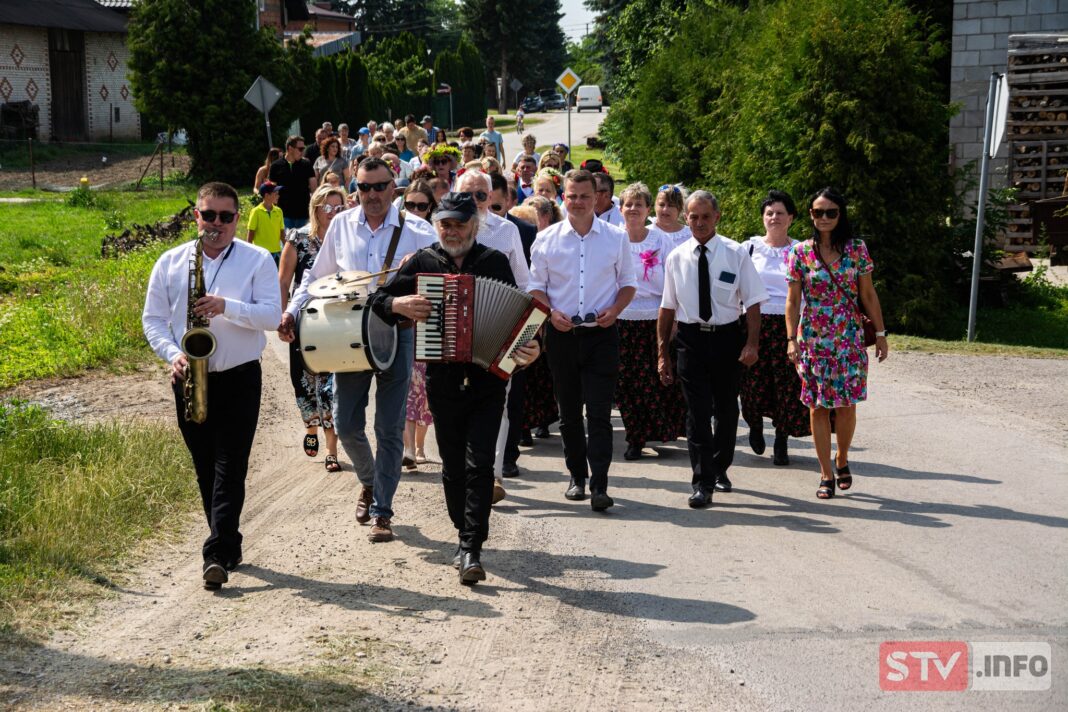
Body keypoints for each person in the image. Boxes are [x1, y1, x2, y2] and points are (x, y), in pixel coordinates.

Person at [368, 192, 540, 584]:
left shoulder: (494, 262)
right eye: (444, 223)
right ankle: (464, 531)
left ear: (473, 226)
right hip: (442, 377)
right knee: (451, 466)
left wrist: (530, 348)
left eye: (459, 223)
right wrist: (399, 306)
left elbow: (520, 317)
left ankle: (470, 546)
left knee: (480, 463)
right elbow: (379, 299)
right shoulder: (423, 262)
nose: (451, 230)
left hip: (488, 378)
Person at [279, 158, 436, 543]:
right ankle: (369, 482)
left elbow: (437, 287)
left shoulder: (418, 230)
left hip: (399, 334)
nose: (372, 195)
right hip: (349, 334)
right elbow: (315, 279)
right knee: (346, 422)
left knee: (388, 426)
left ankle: (383, 510)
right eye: (364, 188)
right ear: (356, 190)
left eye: (380, 187)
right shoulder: (343, 226)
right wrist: (291, 312)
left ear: (393, 190)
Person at [142, 182, 281, 590]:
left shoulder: (257, 260)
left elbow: (272, 317)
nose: (216, 224)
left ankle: (215, 553)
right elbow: (153, 320)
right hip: (189, 376)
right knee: (205, 467)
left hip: (240, 377)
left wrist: (227, 307)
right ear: (196, 217)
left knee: (229, 466)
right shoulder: (171, 262)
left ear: (238, 219)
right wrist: (173, 355)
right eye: (208, 215)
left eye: (225, 216)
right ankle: (228, 542)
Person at [529, 169, 637, 511]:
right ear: (564, 197)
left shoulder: (615, 237)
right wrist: (550, 315)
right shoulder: (546, 239)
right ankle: (577, 476)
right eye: (572, 196)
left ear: (598, 198)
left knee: (601, 414)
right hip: (562, 337)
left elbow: (629, 284)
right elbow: (535, 288)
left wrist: (615, 310)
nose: (577, 202)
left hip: (601, 335)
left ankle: (601, 484)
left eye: (584, 196)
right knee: (570, 413)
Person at [657, 190, 767, 509]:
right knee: (698, 412)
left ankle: (720, 467)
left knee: (727, 410)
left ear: (717, 217)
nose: (699, 222)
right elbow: (667, 307)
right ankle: (702, 481)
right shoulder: (676, 257)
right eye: (693, 216)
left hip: (727, 338)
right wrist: (662, 353)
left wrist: (751, 343)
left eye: (706, 216)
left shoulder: (735, 253)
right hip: (690, 340)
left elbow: (754, 301)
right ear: (685, 218)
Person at [785, 187, 888, 500]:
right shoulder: (800, 252)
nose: (824, 218)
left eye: (831, 212)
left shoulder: (856, 249)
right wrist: (791, 338)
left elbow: (868, 295)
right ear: (811, 216)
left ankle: (842, 457)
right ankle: (825, 472)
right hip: (813, 340)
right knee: (817, 407)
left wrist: (881, 334)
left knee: (845, 406)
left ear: (840, 215)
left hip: (848, 339)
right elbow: (793, 300)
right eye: (818, 212)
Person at [454, 171, 531, 494]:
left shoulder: (507, 231)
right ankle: (462, 470)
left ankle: (492, 474)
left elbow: (524, 283)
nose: (474, 202)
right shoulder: (442, 228)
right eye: (466, 196)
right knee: (454, 403)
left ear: (491, 198)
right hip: (454, 329)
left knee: (497, 404)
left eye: (481, 196)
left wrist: (526, 335)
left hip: (498, 327)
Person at [278, 185, 346, 473]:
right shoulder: (298, 239)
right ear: (315, 209)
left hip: (337, 324)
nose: (332, 213)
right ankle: (311, 426)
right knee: (304, 381)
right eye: (327, 207)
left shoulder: (347, 240)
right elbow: (283, 282)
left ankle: (332, 449)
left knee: (333, 386)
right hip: (304, 322)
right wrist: (283, 318)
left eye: (338, 208)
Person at [616, 183, 687, 460]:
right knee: (626, 382)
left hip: (655, 318)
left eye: (639, 204)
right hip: (621, 318)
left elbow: (673, 283)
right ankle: (635, 436)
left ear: (648, 210)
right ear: (621, 209)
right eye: (628, 204)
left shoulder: (661, 241)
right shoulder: (613, 238)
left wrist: (675, 320)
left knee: (656, 378)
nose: (633, 209)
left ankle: (658, 430)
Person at [740, 190, 810, 466]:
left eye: (780, 213)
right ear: (763, 217)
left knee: (786, 386)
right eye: (769, 213)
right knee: (750, 384)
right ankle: (755, 426)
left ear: (791, 218)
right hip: (754, 324)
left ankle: (782, 440)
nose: (774, 217)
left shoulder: (801, 250)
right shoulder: (749, 247)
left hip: (788, 324)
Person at [398, 181, 438, 468]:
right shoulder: (396, 236)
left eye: (421, 206)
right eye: (409, 205)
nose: (414, 211)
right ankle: (407, 448)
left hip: (430, 323)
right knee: (405, 388)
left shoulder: (436, 238)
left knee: (424, 390)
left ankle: (421, 445)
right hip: (402, 323)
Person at [269, 135, 317, 229]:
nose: (303, 152)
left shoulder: (306, 164)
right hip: (283, 214)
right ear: (290, 148)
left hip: (303, 213)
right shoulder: (275, 166)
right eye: (300, 149)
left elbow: (314, 189)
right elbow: (272, 190)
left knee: (304, 243)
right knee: (286, 243)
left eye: (304, 149)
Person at [246, 180, 285, 263]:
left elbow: (282, 232)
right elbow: (251, 232)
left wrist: (286, 247)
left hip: (276, 252)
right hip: (260, 252)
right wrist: (248, 250)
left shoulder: (279, 211)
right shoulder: (256, 211)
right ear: (267, 195)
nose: (278, 196)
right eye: (276, 194)